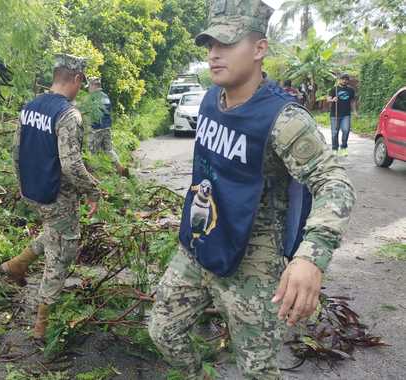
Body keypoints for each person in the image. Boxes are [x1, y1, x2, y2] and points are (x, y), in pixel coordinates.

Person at [147, 1, 356, 379]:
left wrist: (311, 256)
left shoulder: (283, 119)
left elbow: (334, 181)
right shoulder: (212, 99)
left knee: (257, 371)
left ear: (259, 49)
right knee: (162, 329)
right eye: (210, 44)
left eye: (226, 44)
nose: (213, 54)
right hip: (200, 242)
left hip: (254, 264)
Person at [0, 54, 101, 340]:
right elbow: (71, 165)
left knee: (53, 232)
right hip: (57, 194)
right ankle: (41, 324)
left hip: (34, 190)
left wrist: (24, 186)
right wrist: (93, 190)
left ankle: (17, 264)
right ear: (78, 79)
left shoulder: (30, 107)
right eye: (82, 82)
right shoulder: (68, 114)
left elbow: (16, 152)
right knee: (63, 251)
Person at [86, 77, 129, 177]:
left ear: (93, 86)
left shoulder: (92, 97)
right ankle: (121, 169)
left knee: (92, 153)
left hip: (96, 129)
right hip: (107, 128)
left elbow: (88, 113)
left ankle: (95, 176)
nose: (88, 89)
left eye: (89, 87)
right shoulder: (105, 97)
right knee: (108, 150)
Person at [327, 73, 356, 156]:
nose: (344, 81)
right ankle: (334, 149)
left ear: (348, 81)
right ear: (340, 80)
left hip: (346, 114)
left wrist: (355, 111)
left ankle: (343, 147)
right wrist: (332, 99)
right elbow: (328, 99)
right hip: (335, 115)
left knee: (346, 131)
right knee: (334, 133)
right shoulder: (334, 89)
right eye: (343, 79)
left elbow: (353, 101)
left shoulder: (351, 90)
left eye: (346, 79)